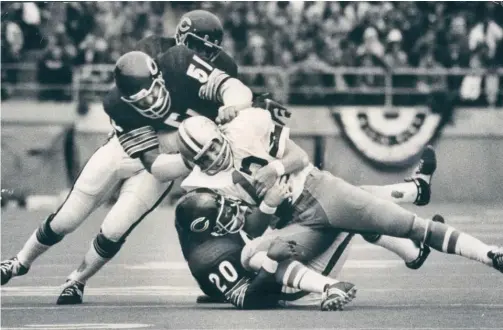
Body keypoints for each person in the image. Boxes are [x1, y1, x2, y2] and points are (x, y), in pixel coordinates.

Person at [0, 10, 250, 305]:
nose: (152, 102)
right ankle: (19, 262)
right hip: (133, 147)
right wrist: (190, 159)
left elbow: (236, 90)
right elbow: (152, 163)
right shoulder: (124, 96)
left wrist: (233, 107)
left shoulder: (185, 63)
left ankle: (77, 280)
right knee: (67, 218)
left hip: (174, 151)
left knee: (115, 228)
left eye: (208, 50)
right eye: (142, 99)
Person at [174, 110, 503, 277]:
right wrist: (269, 202)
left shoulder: (247, 125)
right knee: (259, 261)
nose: (213, 157)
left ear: (219, 133)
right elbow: (253, 229)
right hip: (292, 227)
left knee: (412, 225)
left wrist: (274, 169)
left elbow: (299, 157)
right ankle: (413, 198)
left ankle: (489, 254)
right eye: (204, 157)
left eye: (214, 147)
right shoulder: (211, 185)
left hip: (318, 191)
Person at [174, 147, 444, 310]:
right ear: (207, 230)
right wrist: (270, 261)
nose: (236, 212)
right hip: (296, 289)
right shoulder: (211, 256)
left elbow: (216, 285)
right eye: (226, 215)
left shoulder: (195, 232)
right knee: (348, 211)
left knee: (349, 206)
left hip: (285, 271)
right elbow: (253, 298)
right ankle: (415, 195)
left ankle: (413, 245)